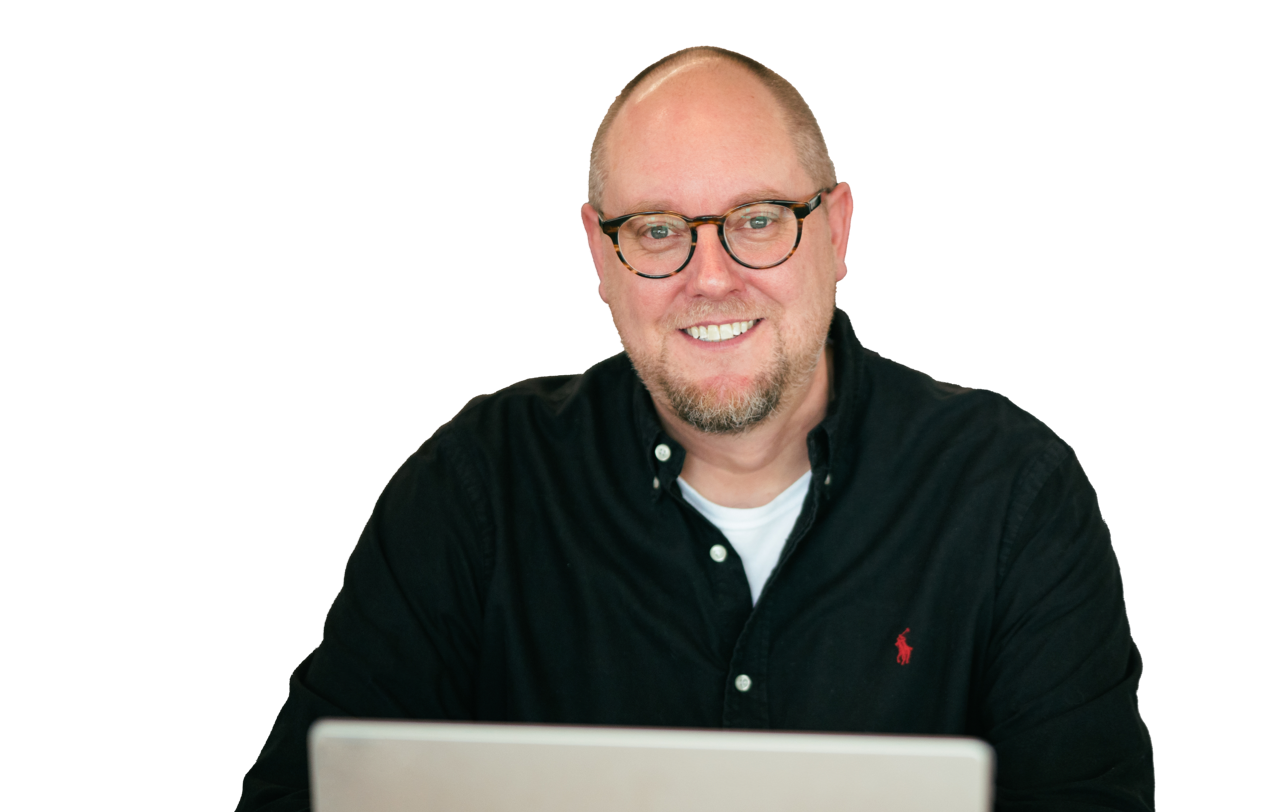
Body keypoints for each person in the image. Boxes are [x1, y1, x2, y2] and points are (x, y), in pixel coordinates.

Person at [237, 46, 1153, 811]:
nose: (710, 278)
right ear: (599, 254)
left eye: (758, 220)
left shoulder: (1012, 493)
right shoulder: (475, 489)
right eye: (657, 230)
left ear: (838, 232)